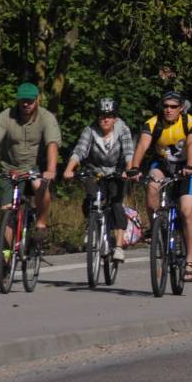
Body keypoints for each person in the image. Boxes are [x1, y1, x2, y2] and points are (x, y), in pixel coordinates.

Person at [129, 90, 192, 283]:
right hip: (162, 166)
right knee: (152, 185)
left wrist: (190, 166)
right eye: (166, 106)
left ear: (181, 108)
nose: (168, 110)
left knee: (186, 211)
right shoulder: (153, 123)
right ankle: (156, 228)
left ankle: (190, 262)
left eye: (173, 107)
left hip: (186, 168)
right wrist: (134, 168)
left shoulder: (190, 123)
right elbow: (143, 146)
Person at [62, 98, 134, 261]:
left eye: (109, 116)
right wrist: (69, 169)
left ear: (115, 117)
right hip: (94, 171)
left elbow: (129, 152)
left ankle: (119, 246)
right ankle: (93, 227)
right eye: (102, 115)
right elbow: (80, 150)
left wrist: (128, 171)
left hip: (117, 172)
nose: (105, 119)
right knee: (90, 199)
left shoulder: (123, 130)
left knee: (116, 204)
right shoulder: (90, 130)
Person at [0, 82, 61, 248]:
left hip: (33, 167)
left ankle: (40, 224)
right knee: (6, 211)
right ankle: (9, 256)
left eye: (29, 101)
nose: (25, 104)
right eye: (22, 100)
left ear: (37, 100)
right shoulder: (5, 117)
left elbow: (52, 144)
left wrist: (51, 170)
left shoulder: (46, 117)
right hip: (9, 167)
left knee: (41, 186)